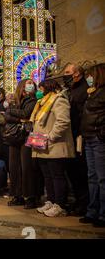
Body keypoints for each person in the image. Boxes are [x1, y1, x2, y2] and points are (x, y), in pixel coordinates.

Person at [30, 79, 75, 217]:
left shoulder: (58, 100)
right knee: (47, 176)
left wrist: (50, 136)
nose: (39, 91)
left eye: (41, 88)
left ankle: (60, 204)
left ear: (48, 88)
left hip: (54, 145)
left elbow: (63, 121)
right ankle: (51, 200)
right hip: (42, 146)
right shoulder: (42, 103)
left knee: (57, 175)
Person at [4, 78, 40, 209]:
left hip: (27, 136)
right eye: (28, 83)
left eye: (32, 83)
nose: (30, 85)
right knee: (14, 167)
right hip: (14, 136)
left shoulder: (33, 100)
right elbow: (6, 117)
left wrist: (12, 113)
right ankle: (17, 195)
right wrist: (20, 118)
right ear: (22, 87)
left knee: (27, 168)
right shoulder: (16, 101)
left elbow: (27, 113)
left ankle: (30, 196)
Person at [80, 63, 105, 228]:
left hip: (98, 138)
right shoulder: (92, 92)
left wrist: (101, 132)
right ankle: (92, 211)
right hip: (89, 137)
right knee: (92, 177)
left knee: (102, 178)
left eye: (91, 75)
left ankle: (103, 214)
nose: (89, 78)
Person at [63, 63, 90, 216]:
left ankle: (84, 203)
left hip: (80, 135)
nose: (65, 75)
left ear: (77, 73)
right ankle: (78, 201)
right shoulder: (70, 89)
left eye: (67, 72)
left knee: (81, 171)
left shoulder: (85, 88)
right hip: (71, 135)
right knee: (72, 171)